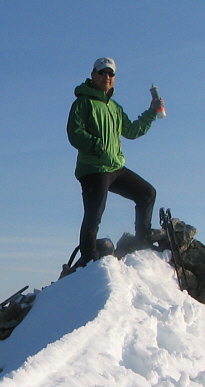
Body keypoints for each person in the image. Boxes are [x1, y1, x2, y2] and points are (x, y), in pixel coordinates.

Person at [67, 57, 164, 268]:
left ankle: (143, 238)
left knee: (147, 193)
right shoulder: (83, 103)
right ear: (93, 75)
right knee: (94, 214)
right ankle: (89, 258)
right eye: (102, 73)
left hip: (115, 167)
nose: (106, 77)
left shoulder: (114, 108)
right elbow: (74, 134)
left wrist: (151, 112)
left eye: (111, 74)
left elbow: (131, 130)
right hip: (93, 169)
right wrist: (98, 145)